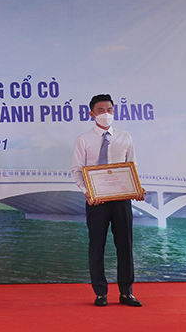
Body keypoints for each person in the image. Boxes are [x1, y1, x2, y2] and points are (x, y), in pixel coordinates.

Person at [72, 94, 145, 307]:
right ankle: (100, 293)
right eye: (101, 110)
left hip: (121, 199)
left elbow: (132, 165)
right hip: (96, 202)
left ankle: (126, 292)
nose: (106, 114)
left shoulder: (125, 137)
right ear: (91, 113)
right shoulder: (83, 139)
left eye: (110, 110)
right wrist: (87, 191)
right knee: (97, 246)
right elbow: (77, 169)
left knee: (125, 245)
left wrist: (137, 188)